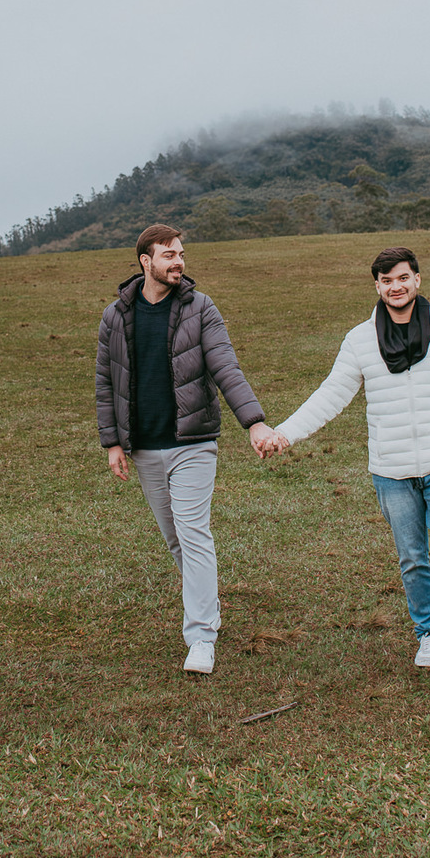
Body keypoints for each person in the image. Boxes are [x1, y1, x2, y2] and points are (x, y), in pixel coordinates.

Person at [268, 245, 430, 675]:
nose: (396, 287)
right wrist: (285, 433)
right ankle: (429, 631)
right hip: (391, 470)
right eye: (387, 281)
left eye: (403, 278)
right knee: (411, 557)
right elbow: (331, 395)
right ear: (377, 286)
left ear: (417, 280)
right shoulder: (359, 340)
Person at [95, 224, 279, 675]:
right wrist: (113, 442)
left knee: (193, 532)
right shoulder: (115, 316)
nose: (178, 262)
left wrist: (253, 423)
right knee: (177, 539)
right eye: (168, 255)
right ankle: (208, 602)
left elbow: (225, 365)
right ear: (145, 262)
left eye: (181, 253)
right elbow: (105, 381)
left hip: (193, 442)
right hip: (144, 448)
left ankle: (200, 637)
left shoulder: (200, 308)